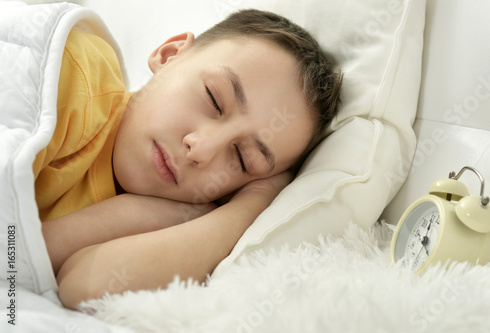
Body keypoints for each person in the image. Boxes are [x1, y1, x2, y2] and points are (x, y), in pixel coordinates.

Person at [38, 9, 342, 309]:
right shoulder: (72, 75)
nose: (201, 149)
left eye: (242, 157)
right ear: (170, 54)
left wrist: (248, 208)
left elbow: (86, 288)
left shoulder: (168, 226)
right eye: (213, 99)